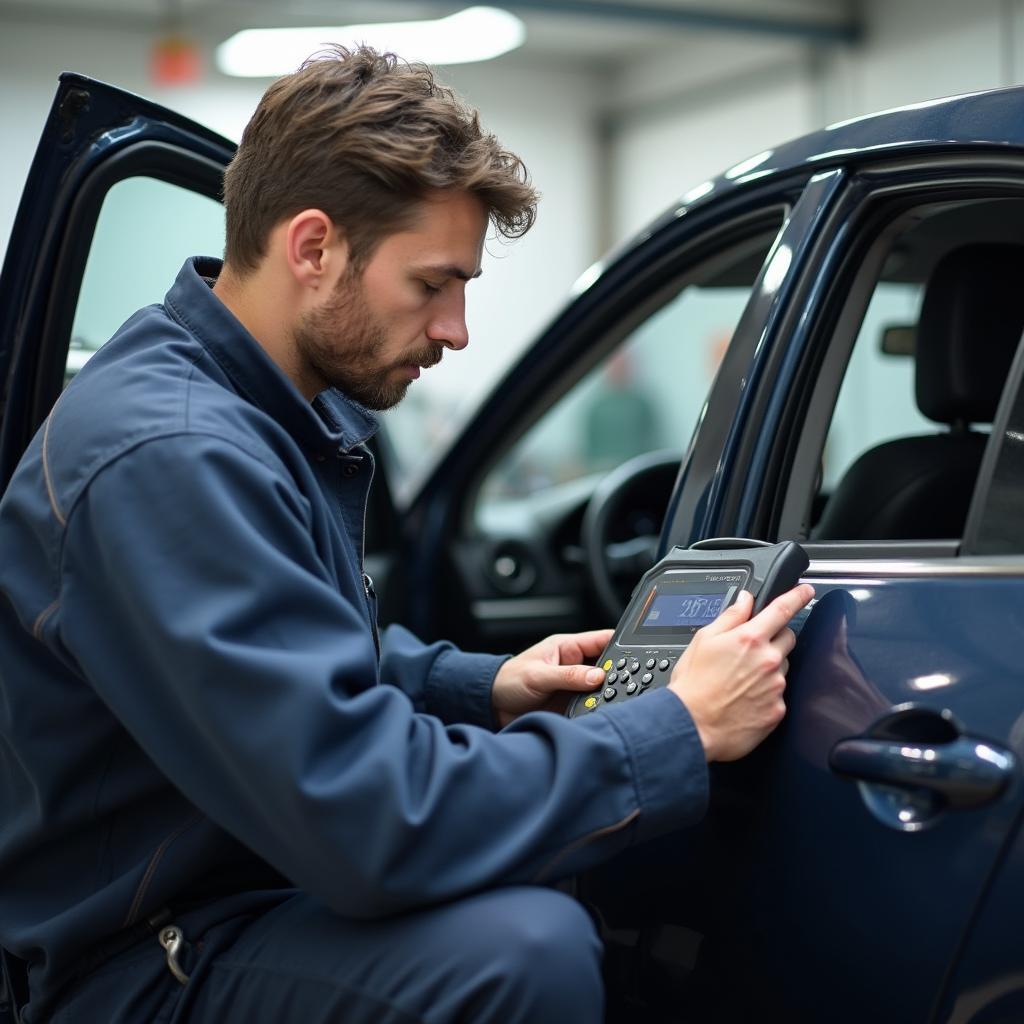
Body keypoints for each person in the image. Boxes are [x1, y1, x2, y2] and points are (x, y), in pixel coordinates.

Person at [0, 46, 813, 1024]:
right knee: (520, 952)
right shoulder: (170, 454)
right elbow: (366, 820)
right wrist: (671, 729)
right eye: (432, 284)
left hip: (234, 884)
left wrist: (482, 688)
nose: (458, 328)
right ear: (312, 248)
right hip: (141, 960)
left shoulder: (253, 413)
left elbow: (282, 661)